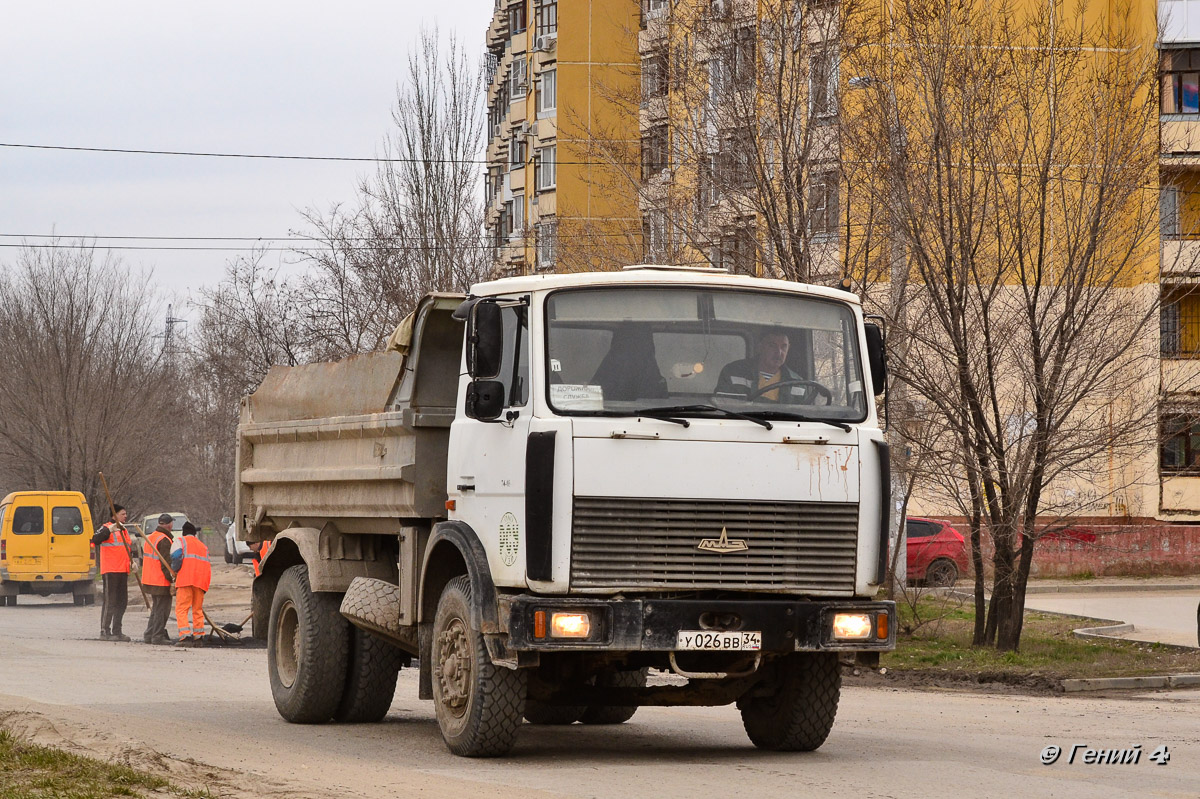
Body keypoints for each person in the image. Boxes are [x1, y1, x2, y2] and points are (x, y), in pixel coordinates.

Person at [714, 329, 819, 404]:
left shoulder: (798, 383)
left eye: (784, 347)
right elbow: (722, 410)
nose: (779, 352)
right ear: (760, 347)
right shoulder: (733, 372)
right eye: (772, 346)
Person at [91, 504, 133, 642]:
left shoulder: (124, 530)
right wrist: (108, 530)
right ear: (114, 516)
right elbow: (95, 540)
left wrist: (132, 562)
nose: (125, 516)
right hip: (111, 570)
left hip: (123, 570)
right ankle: (105, 631)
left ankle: (117, 631)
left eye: (125, 514)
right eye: (122, 514)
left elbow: (126, 548)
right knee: (110, 601)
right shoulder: (106, 528)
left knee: (122, 602)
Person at [171, 521, 211, 648]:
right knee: (197, 609)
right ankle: (198, 637)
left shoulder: (180, 541)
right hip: (200, 582)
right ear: (195, 534)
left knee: (182, 609)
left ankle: (185, 636)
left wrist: (175, 570)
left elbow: (176, 557)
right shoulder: (203, 546)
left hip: (185, 579)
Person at [141, 514, 175, 645]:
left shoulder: (151, 537)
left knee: (156, 610)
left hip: (150, 579)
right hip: (160, 581)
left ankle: (149, 634)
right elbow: (166, 563)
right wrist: (172, 579)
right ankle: (157, 636)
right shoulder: (164, 540)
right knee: (162, 611)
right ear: (169, 524)